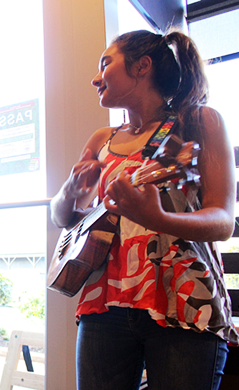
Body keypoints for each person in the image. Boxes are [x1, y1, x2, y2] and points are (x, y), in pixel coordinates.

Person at [50, 30, 238, 390]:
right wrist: (70, 190)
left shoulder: (200, 122)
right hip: (105, 302)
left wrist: (160, 219)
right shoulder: (101, 139)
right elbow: (62, 217)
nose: (95, 77)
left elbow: (223, 221)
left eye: (105, 63)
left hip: (183, 300)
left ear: (142, 66)